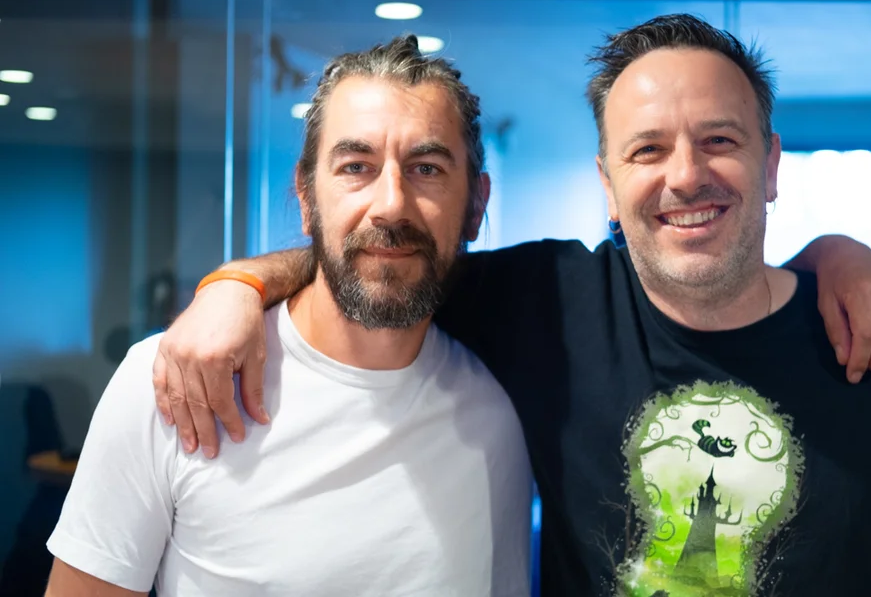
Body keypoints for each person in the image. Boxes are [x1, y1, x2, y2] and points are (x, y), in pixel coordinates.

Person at [152, 16, 871, 596]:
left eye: (719, 140)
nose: (685, 175)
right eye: (647, 150)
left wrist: (840, 251)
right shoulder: (542, 305)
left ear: (770, 165)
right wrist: (237, 285)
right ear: (607, 185)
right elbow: (383, 256)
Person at [44, 37, 534, 596]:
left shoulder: (500, 414)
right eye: (356, 166)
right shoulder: (174, 380)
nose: (391, 204)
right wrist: (237, 282)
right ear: (306, 197)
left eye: (426, 168)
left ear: (476, 204)